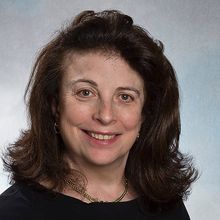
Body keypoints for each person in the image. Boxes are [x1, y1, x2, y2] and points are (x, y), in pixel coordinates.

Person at [0, 10, 197, 219]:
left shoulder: (168, 208)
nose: (105, 115)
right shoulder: (13, 212)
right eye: (85, 93)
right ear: (55, 105)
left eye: (125, 97)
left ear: (146, 113)